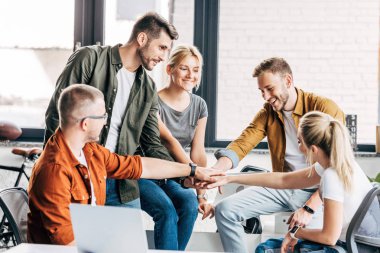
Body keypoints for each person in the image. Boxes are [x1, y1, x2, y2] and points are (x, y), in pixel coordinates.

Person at [27, 84, 220, 245]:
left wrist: (193, 170)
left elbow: (141, 166)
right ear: (85, 124)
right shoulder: (54, 171)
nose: (105, 122)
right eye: (102, 117)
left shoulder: (90, 152)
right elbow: (67, 243)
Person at [44, 12, 186, 211]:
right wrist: (55, 170)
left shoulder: (148, 88)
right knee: (77, 239)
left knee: (128, 240)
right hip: (80, 175)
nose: (164, 57)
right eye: (162, 47)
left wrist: (186, 175)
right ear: (142, 38)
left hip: (121, 183)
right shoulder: (89, 59)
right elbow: (56, 116)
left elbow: (152, 143)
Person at [211, 57, 345, 253]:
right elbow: (242, 143)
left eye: (269, 89)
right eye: (261, 91)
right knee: (224, 211)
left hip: (320, 193)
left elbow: (338, 167)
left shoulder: (324, 108)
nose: (265, 96)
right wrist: (215, 172)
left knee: (313, 245)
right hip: (285, 185)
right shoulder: (268, 113)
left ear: (288, 81)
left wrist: (309, 207)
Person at [204, 111, 373, 253]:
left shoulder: (331, 176)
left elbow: (329, 237)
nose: (299, 147)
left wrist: (295, 233)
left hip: (345, 248)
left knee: (266, 250)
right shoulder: (341, 165)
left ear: (313, 149)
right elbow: (284, 179)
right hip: (359, 245)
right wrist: (229, 177)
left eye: (300, 142)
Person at [138, 45, 213, 250]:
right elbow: (169, 141)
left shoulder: (199, 105)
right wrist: (196, 172)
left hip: (176, 175)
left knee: (189, 205)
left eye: (196, 69)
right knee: (167, 211)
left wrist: (201, 195)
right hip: (146, 174)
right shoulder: (153, 101)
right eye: (184, 68)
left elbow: (198, 151)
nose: (191, 75)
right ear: (169, 69)